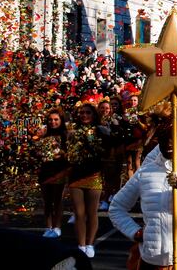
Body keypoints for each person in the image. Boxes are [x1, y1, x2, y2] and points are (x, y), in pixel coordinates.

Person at [109, 117, 177, 269]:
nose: (169, 143)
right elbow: (116, 208)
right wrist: (135, 232)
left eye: (176, 138)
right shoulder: (145, 172)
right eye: (163, 138)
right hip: (152, 261)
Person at [66, 102, 108, 258]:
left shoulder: (100, 130)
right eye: (82, 113)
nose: (84, 115)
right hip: (75, 175)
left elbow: (106, 150)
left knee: (92, 212)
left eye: (88, 113)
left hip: (94, 174)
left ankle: (90, 244)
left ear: (94, 115)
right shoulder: (72, 131)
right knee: (79, 213)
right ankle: (81, 245)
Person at [36, 108, 69, 238]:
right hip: (45, 170)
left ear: (61, 120)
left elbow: (70, 155)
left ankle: (57, 226)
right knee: (47, 201)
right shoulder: (43, 135)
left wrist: (60, 154)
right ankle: (48, 226)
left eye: (56, 119)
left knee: (57, 199)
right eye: (50, 120)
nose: (53, 122)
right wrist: (39, 153)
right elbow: (38, 153)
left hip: (59, 170)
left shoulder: (66, 135)